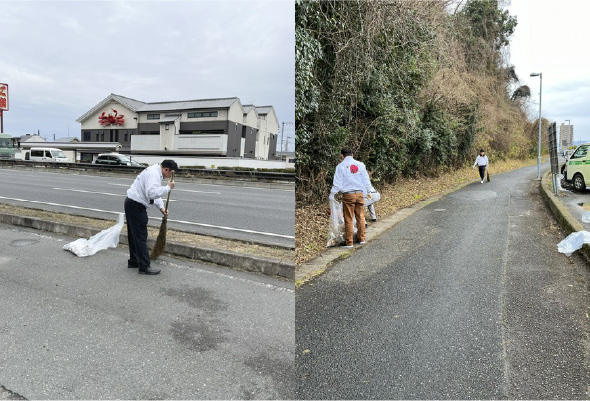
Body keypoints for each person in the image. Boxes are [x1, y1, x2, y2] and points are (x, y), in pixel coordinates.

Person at [125, 159, 179, 275]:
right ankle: (144, 266)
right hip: (136, 205)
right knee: (140, 236)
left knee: (134, 235)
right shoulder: (153, 174)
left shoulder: (155, 172)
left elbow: (154, 193)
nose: (170, 176)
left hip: (132, 203)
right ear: (166, 169)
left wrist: (161, 208)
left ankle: (134, 261)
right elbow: (151, 193)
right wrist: (167, 188)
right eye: (171, 174)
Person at [330, 148, 374, 248]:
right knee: (360, 217)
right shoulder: (361, 165)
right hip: (360, 194)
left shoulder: (340, 166)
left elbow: (337, 184)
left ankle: (349, 242)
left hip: (348, 195)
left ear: (342, 156)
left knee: (349, 218)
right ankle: (362, 239)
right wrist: (369, 191)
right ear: (352, 155)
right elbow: (366, 180)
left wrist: (332, 194)